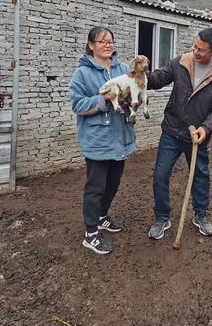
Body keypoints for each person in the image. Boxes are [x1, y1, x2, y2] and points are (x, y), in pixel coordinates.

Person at [146, 27, 212, 240]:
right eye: (195, 47)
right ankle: (162, 216)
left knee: (200, 176)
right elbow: (158, 79)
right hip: (172, 130)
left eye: (201, 50)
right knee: (160, 175)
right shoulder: (181, 62)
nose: (195, 52)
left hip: (197, 136)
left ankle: (201, 215)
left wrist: (206, 127)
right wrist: (142, 74)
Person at [69, 27, 136, 254]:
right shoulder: (83, 74)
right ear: (91, 45)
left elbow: (131, 93)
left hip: (121, 136)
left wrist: (129, 99)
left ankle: (101, 216)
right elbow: (77, 105)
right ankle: (90, 233)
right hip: (98, 139)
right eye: (102, 41)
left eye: (110, 41)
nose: (108, 45)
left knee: (113, 183)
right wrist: (104, 98)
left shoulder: (124, 69)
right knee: (95, 187)